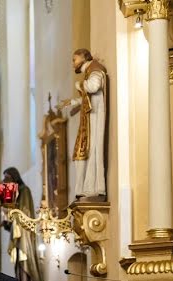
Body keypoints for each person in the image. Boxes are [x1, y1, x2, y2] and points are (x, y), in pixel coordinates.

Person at [64, 48, 107, 198]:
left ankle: (92, 187)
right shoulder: (89, 72)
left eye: (74, 60)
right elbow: (87, 97)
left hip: (94, 118)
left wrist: (79, 85)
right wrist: (73, 101)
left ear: (83, 58)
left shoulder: (95, 69)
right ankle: (83, 188)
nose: (72, 64)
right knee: (81, 154)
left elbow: (94, 86)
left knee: (92, 150)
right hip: (88, 119)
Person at [1, 167, 43, 281]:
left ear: (14, 177)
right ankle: (20, 280)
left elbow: (25, 211)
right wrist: (6, 219)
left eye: (7, 177)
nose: (4, 180)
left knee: (23, 254)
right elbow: (12, 215)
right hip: (17, 228)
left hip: (24, 230)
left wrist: (12, 210)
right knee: (17, 256)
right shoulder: (13, 194)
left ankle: (27, 280)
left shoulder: (24, 191)